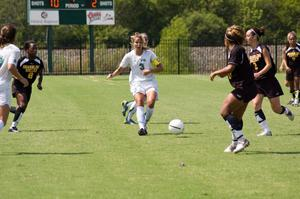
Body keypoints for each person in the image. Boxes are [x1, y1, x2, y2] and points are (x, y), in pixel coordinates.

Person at [210, 25, 257, 153]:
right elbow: (230, 70)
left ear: (227, 40)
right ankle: (234, 143)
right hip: (248, 88)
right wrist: (221, 72)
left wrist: (216, 73)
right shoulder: (235, 50)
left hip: (244, 88)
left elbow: (230, 68)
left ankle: (242, 140)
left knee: (224, 112)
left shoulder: (236, 50)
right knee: (236, 118)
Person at [107, 32, 163, 136]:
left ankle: (144, 123)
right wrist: (112, 75)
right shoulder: (129, 56)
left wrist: (149, 70)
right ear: (133, 43)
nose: (138, 44)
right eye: (136, 42)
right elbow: (120, 69)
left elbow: (160, 67)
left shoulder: (149, 54)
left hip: (150, 82)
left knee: (150, 102)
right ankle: (141, 128)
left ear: (143, 43)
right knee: (140, 101)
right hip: (136, 82)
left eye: (140, 42)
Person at [245, 28, 294, 137]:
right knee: (256, 105)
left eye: (248, 35)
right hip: (257, 83)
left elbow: (269, 65)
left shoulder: (263, 48)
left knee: (276, 109)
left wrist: (258, 73)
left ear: (254, 37)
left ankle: (286, 111)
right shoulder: (251, 52)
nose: (246, 38)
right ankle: (266, 130)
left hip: (269, 82)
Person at [8, 40, 44, 132]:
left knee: (21, 109)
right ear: (26, 50)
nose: (35, 50)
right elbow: (13, 72)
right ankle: (13, 127)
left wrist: (39, 83)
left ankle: (4, 108)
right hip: (18, 85)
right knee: (22, 104)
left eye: (36, 48)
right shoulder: (21, 61)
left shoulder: (38, 61)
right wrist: (21, 79)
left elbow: (40, 73)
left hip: (28, 87)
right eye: (33, 49)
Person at [0, 24, 29, 133]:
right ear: (14, 37)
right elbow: (11, 66)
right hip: (3, 86)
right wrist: (21, 78)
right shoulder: (14, 49)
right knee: (2, 120)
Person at [121, 32, 149, 125]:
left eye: (146, 40)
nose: (145, 41)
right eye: (144, 39)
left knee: (143, 99)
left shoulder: (147, 52)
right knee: (141, 100)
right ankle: (128, 118)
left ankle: (127, 104)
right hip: (135, 79)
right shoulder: (134, 53)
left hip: (143, 80)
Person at [282, 31, 300, 106]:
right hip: (289, 68)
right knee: (291, 84)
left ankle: (297, 99)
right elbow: (284, 59)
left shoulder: (299, 47)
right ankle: (293, 98)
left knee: (297, 81)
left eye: (294, 39)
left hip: (298, 67)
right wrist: (286, 66)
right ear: (288, 40)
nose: (292, 40)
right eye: (290, 39)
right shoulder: (285, 48)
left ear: (296, 39)